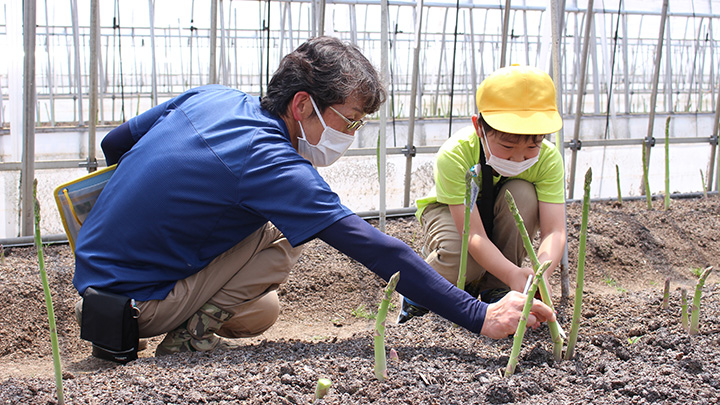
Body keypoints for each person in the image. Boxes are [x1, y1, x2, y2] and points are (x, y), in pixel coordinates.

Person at [73, 37, 555, 357]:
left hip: (96, 280)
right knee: (292, 225)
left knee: (263, 312)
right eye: (349, 121)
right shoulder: (271, 162)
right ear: (302, 104)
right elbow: (370, 245)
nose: (349, 134)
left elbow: (115, 144)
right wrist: (479, 315)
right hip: (136, 304)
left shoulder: (213, 97)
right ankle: (178, 340)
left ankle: (182, 326)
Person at [401, 65, 566, 323]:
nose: (519, 157)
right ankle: (419, 292)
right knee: (463, 259)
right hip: (450, 210)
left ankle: (496, 287)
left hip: (503, 208)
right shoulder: (455, 154)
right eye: (508, 147)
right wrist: (515, 274)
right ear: (479, 127)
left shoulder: (548, 160)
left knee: (522, 193)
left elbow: (555, 231)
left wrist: (541, 271)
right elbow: (474, 234)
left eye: (532, 146)